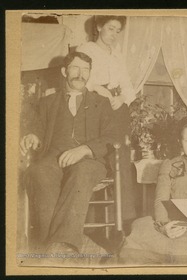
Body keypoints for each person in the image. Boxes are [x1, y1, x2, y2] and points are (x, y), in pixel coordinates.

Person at [20, 51, 118, 254]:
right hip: (54, 158)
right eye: (75, 68)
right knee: (38, 172)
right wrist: (33, 137)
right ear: (65, 71)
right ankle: (59, 248)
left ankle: (58, 247)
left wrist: (84, 149)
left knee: (81, 171)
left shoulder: (102, 103)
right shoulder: (47, 102)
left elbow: (112, 138)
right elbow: (37, 129)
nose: (80, 74)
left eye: (85, 70)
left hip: (91, 161)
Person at [118, 114, 187, 264]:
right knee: (139, 227)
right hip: (174, 223)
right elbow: (161, 200)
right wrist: (164, 226)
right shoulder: (169, 164)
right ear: (180, 141)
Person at [77, 15, 137, 223]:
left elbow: (128, 86)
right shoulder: (86, 49)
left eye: (118, 31)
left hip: (115, 106)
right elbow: (83, 81)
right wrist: (106, 93)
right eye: (110, 28)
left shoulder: (117, 55)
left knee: (122, 155)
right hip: (92, 105)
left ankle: (124, 218)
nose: (114, 35)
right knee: (112, 153)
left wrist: (121, 97)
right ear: (99, 26)